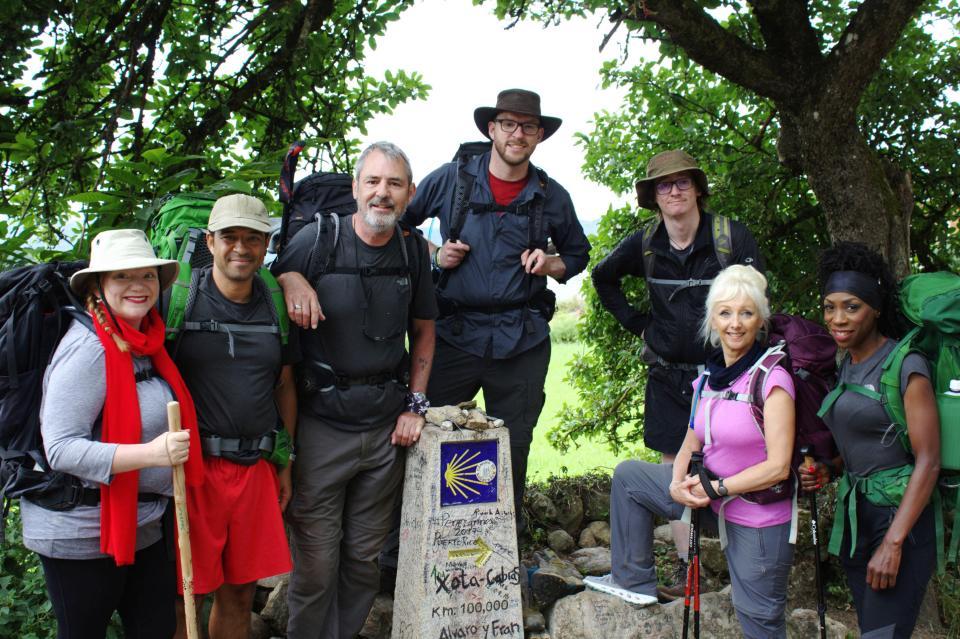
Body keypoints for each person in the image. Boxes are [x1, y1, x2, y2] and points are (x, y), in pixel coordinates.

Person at [272, 141, 437, 639]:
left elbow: (425, 330)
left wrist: (415, 405)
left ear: (408, 194)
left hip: (386, 430)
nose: (382, 194)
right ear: (354, 190)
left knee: (363, 560)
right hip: (322, 427)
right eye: (373, 182)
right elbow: (270, 276)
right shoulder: (319, 239)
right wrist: (291, 279)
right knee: (317, 565)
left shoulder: (411, 250)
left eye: (394, 184)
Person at [400, 88, 591, 515]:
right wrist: (434, 253)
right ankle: (416, 542)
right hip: (453, 335)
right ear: (492, 129)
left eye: (527, 126)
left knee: (513, 445)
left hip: (521, 339)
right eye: (508, 124)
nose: (517, 134)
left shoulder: (551, 195)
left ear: (539, 135)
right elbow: (401, 226)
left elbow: (577, 255)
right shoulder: (451, 179)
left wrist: (550, 263)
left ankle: (503, 546)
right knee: (430, 433)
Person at [585, 265, 796, 638]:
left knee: (759, 620)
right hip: (709, 497)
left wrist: (716, 488)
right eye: (725, 312)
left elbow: (779, 467)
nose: (735, 323)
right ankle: (633, 581)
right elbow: (690, 440)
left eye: (746, 313)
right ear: (712, 318)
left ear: (760, 319)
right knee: (630, 477)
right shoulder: (710, 377)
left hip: (756, 513)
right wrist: (678, 482)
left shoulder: (772, 378)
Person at [591, 149, 764, 599]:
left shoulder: (730, 238)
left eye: (682, 182)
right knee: (675, 474)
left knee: (736, 464)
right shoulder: (645, 243)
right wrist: (636, 323)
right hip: (668, 378)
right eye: (664, 185)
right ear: (653, 196)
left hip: (725, 380)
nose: (674, 191)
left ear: (697, 189)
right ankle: (691, 573)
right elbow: (603, 277)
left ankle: (742, 563)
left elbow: (758, 299)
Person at [19, 229, 203, 639]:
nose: (138, 286)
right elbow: (61, 448)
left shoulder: (145, 340)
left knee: (155, 629)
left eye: (148, 276)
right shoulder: (90, 348)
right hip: (80, 531)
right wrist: (151, 454)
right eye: (122, 276)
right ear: (99, 286)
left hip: (143, 524)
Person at [170, 194, 296, 638]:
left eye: (252, 238)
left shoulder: (274, 300)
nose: (240, 248)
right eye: (229, 237)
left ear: (266, 245)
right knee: (188, 594)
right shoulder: (180, 296)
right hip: (194, 471)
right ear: (210, 240)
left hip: (256, 467)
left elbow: (284, 384)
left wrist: (285, 460)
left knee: (240, 593)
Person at [800, 242, 939, 638]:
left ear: (875, 308)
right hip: (858, 516)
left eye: (851, 306)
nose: (837, 318)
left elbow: (928, 459)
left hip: (900, 522)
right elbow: (874, 438)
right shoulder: (848, 363)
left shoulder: (906, 366)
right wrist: (829, 469)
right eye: (830, 306)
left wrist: (894, 544)